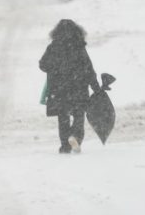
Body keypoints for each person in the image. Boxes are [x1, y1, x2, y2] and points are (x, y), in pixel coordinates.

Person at [39, 19, 101, 154]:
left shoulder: (53, 47)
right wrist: (95, 86)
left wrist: (55, 69)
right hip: (79, 87)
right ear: (76, 31)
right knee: (79, 116)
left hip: (59, 89)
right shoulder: (79, 46)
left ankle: (65, 145)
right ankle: (75, 137)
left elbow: (42, 64)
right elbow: (88, 68)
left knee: (63, 118)